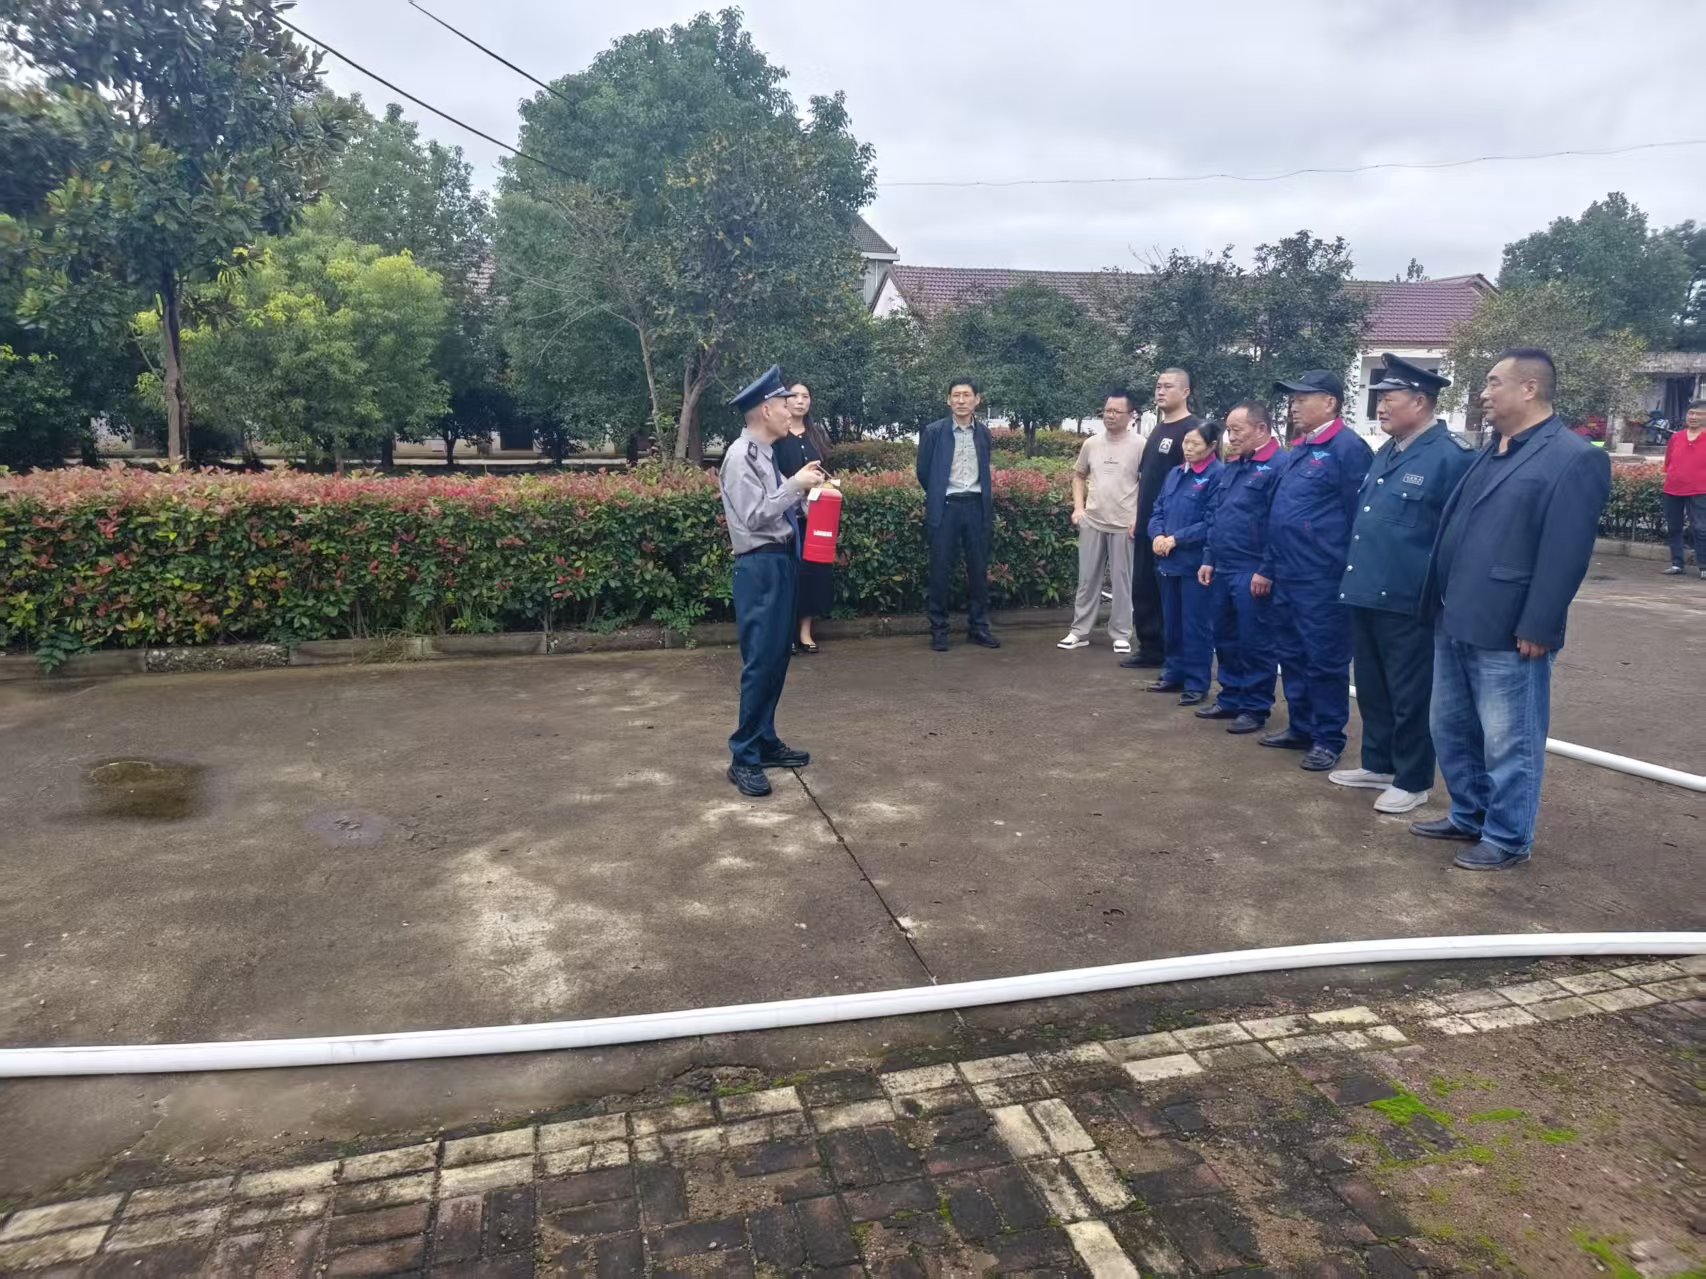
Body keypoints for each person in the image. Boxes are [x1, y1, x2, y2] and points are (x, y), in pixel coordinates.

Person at [1414, 348, 1612, 870]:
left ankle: (1507, 837)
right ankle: (1469, 814)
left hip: (1510, 626)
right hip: (1454, 614)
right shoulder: (1493, 449)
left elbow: (1566, 552)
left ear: (1529, 388)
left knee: (1510, 739)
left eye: (1493, 382)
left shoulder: (1573, 456)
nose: (1483, 393)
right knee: (1452, 728)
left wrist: (1540, 624)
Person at [1330, 355, 1477, 816]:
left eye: (1389, 398)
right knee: (1373, 686)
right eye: (1379, 398)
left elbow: (1459, 535)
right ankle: (1379, 763)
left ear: (1419, 401)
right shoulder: (1388, 451)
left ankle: (1413, 779)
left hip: (1410, 597)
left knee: (1411, 693)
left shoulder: (1451, 456)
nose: (1380, 407)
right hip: (1367, 589)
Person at [1253, 370, 1373, 771]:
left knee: (1324, 659)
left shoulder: (1348, 448)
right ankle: (1301, 726)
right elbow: (1280, 514)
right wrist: (1269, 567)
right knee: (1291, 655)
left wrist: (1350, 573)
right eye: (1293, 399)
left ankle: (1328, 737)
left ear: (1330, 403)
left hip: (1322, 577)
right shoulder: (1302, 447)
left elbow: (1359, 517)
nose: (1294, 406)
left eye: (1303, 399)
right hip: (1287, 574)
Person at [718, 365, 827, 798]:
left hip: (780, 562)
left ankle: (763, 740)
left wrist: (808, 491)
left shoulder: (764, 453)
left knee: (777, 657)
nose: (791, 410)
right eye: (784, 404)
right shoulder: (740, 456)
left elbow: (781, 506)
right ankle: (743, 756)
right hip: (759, 566)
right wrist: (795, 484)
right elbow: (754, 516)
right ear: (766, 410)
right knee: (760, 662)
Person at [1196, 401, 1285, 734]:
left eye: (1237, 430)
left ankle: (1255, 705)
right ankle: (1230, 696)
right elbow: (1217, 515)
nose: (1230, 437)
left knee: (1255, 640)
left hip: (1252, 567)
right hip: (1224, 565)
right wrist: (1209, 558)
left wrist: (1267, 569)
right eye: (1228, 430)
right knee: (1225, 636)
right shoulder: (1234, 466)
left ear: (1261, 429)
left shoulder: (1279, 466)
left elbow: (1278, 523)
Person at [1121, 368, 1200, 669]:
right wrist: (1138, 518)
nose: (1160, 391)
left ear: (1186, 392)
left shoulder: (1192, 430)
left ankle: (1174, 655)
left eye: (1168, 386)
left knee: (1170, 595)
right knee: (1144, 589)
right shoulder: (1157, 430)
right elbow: (1147, 479)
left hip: (1171, 531)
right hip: (1147, 525)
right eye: (1158, 386)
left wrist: (1173, 532)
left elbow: (1196, 482)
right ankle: (1150, 648)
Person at [917, 377, 1000, 652]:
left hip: (976, 507)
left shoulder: (983, 433)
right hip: (946, 507)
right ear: (948, 400)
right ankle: (939, 629)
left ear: (977, 399)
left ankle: (978, 627)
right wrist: (939, 492)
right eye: (956, 395)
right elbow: (924, 472)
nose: (961, 400)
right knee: (940, 570)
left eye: (966, 395)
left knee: (978, 570)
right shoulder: (934, 432)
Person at [1146, 419, 1225, 705]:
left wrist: (1177, 539)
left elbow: (1212, 521)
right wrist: (1157, 535)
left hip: (1195, 563)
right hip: (1168, 561)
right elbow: (1158, 509)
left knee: (1196, 625)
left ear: (1212, 446)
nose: (1188, 448)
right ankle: (1173, 672)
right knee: (1172, 621)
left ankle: (1196, 682)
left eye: (1195, 443)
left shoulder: (1217, 475)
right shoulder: (1176, 473)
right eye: (1186, 442)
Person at [1059, 389, 1143, 653]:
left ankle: (1121, 633)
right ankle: (1079, 631)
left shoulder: (1141, 445)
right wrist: (1079, 508)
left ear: (1131, 415)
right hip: (1093, 522)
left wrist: (1138, 518)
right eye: (1107, 410)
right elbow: (1078, 475)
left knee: (1122, 583)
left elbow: (1147, 484)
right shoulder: (1092, 444)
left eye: (1117, 411)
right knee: (1087, 580)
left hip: (1124, 525)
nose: (1110, 415)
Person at [774, 381, 836, 652]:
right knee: (788, 573)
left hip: (815, 517)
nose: (800, 401)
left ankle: (805, 632)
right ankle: (785, 633)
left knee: (812, 573)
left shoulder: (817, 434)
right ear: (785, 401)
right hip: (785, 515)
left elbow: (827, 470)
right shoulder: (777, 434)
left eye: (806, 396)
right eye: (795, 396)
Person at [1660, 399, 1706, 579]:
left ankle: (1704, 566)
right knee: (1673, 528)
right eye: (1690, 413)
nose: (1693, 417)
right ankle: (1677, 564)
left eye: (1698, 414)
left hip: (1700, 490)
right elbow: (1668, 462)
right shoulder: (1676, 437)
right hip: (1673, 489)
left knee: (1700, 528)